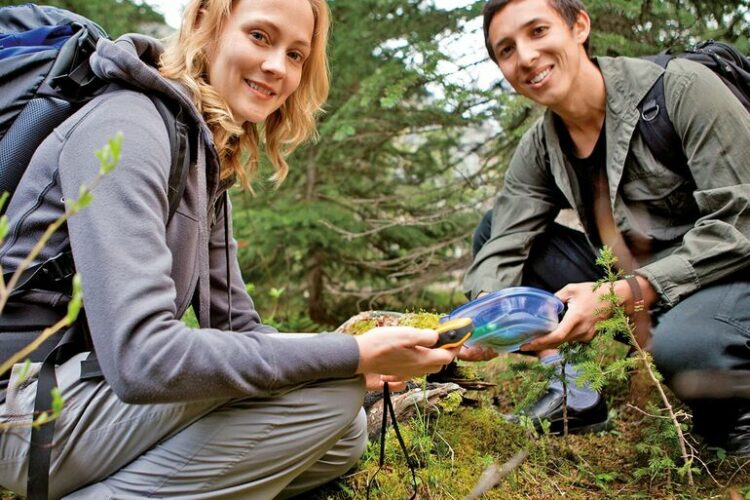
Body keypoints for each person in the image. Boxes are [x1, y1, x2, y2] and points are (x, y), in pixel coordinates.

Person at [0, 0, 459, 497]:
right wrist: (347, 355)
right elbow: (143, 358)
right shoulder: (127, 125)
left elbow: (238, 327)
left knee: (342, 433)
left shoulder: (203, 158)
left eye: (296, 55)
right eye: (260, 37)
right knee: (328, 396)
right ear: (205, 24)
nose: (277, 67)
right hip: (25, 410)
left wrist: (366, 358)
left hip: (90, 392)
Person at [465, 0, 750, 453]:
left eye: (538, 31)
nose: (526, 57)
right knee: (492, 231)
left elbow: (741, 227)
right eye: (506, 50)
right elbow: (503, 242)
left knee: (688, 346)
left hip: (730, 275)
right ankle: (574, 390)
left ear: (579, 25)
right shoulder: (542, 144)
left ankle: (733, 420)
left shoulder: (683, 90)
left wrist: (622, 295)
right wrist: (481, 322)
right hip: (645, 287)